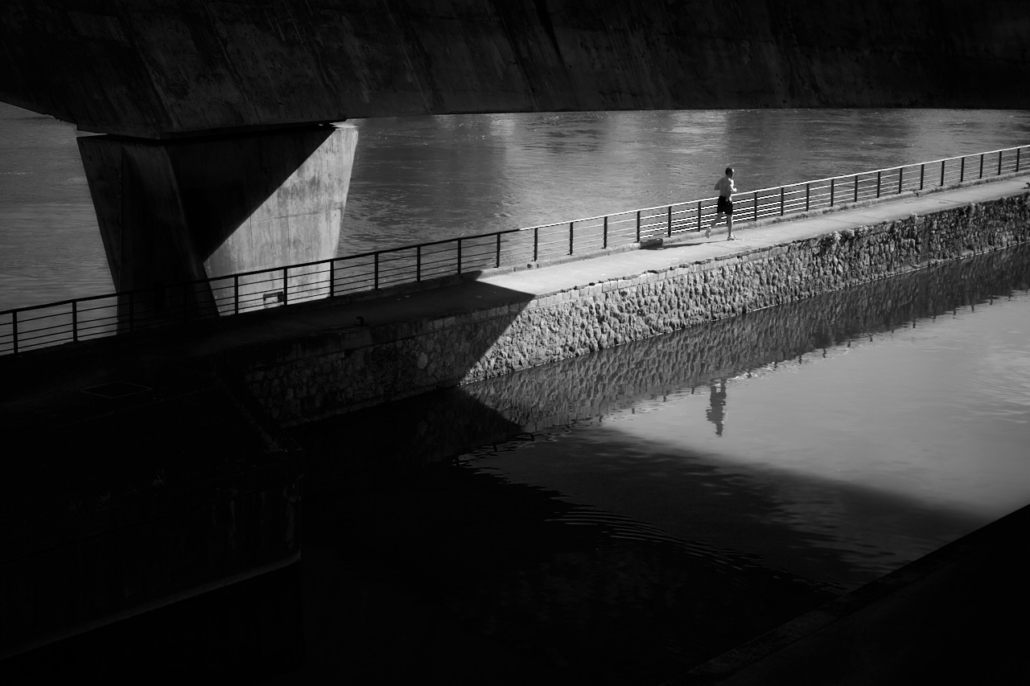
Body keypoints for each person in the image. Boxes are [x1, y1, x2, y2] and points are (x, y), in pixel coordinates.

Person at [707, 167, 736, 240]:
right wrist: (734, 190)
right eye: (732, 173)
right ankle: (729, 235)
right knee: (730, 218)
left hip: (720, 200)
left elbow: (715, 188)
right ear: (729, 173)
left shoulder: (721, 180)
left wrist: (722, 188)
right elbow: (730, 188)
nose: (733, 174)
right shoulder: (730, 181)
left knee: (719, 217)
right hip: (727, 200)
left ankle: (710, 227)